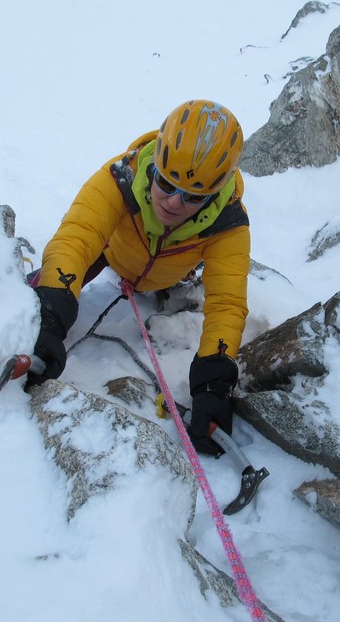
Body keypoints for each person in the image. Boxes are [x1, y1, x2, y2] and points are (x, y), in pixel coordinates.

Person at [28, 99, 249, 455]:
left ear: (214, 196)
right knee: (50, 286)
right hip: (110, 253)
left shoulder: (228, 224)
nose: (174, 203)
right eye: (166, 181)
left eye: (193, 196)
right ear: (155, 164)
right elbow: (77, 240)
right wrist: (51, 316)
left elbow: (227, 303)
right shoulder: (121, 177)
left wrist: (214, 383)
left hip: (169, 277)